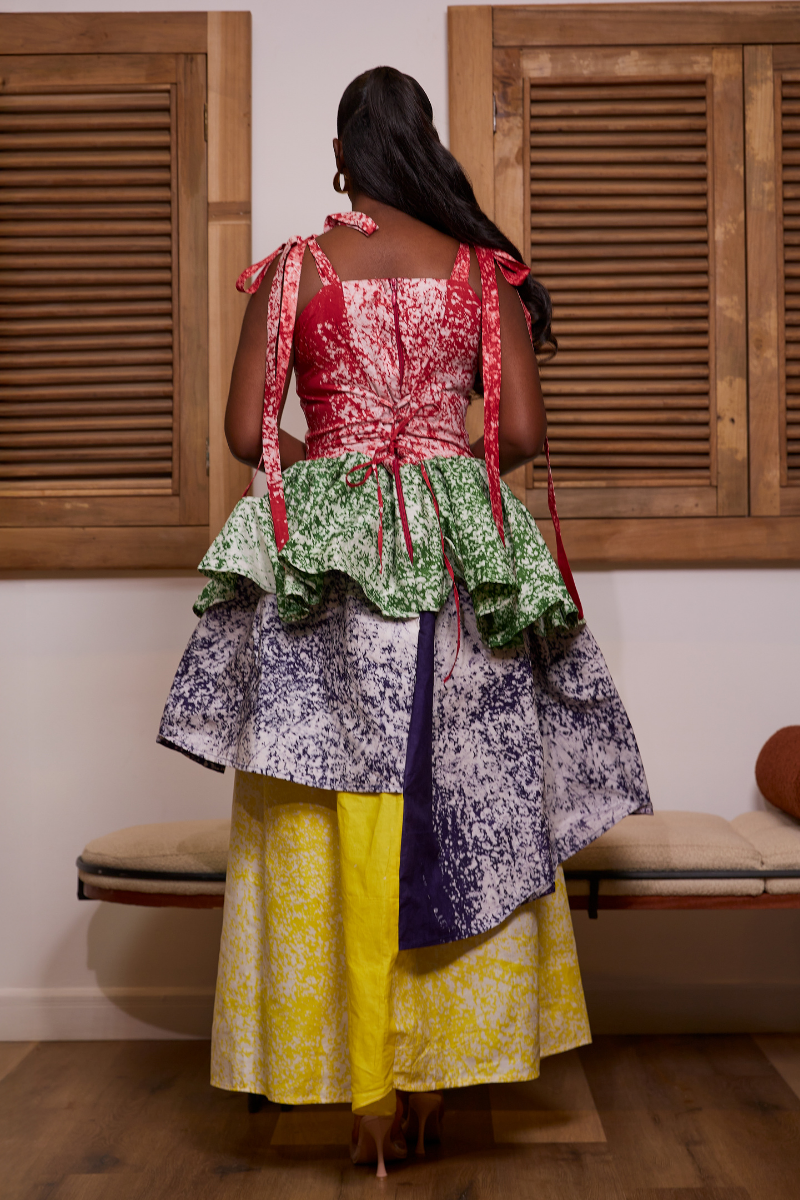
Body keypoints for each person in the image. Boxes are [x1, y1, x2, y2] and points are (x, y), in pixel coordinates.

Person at [159, 66, 650, 1178]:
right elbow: (517, 433)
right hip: (451, 550)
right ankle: (431, 1075)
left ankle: (358, 1088)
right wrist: (437, 456)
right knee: (457, 790)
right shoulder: (478, 271)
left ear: (343, 157)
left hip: (330, 558)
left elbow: (244, 433)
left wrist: (339, 455)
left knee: (326, 800)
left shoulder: (293, 270)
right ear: (424, 147)